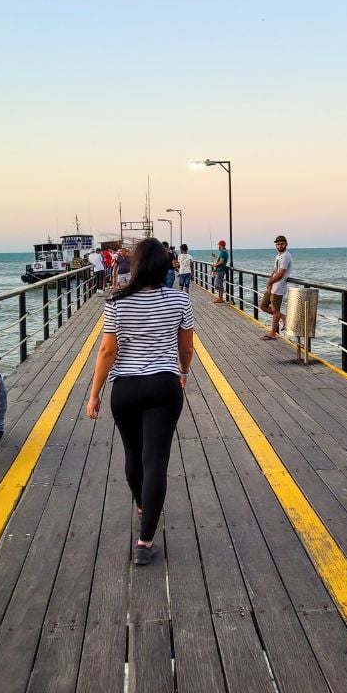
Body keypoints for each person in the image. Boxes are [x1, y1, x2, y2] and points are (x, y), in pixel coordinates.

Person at [86, 238, 194, 566]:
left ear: (134, 266)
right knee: (156, 460)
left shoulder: (116, 301)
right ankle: (145, 542)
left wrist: (94, 393)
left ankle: (143, 506)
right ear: (164, 265)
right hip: (164, 385)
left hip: (126, 389)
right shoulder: (180, 299)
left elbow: (107, 350)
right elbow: (186, 347)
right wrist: (182, 372)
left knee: (133, 454)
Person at [261, 235, 293, 340]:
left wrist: (271, 281)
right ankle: (284, 317)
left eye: (282, 244)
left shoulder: (286, 256)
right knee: (263, 306)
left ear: (286, 244)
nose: (279, 246)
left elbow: (280, 274)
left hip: (279, 287)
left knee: (275, 310)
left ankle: (273, 333)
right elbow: (275, 271)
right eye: (278, 244)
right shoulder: (278, 256)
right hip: (273, 285)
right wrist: (269, 282)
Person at [212, 239, 229, 303]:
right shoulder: (225, 251)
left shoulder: (222, 252)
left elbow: (221, 261)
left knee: (218, 284)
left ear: (221, 245)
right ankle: (220, 298)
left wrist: (215, 265)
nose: (218, 246)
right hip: (221, 270)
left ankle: (221, 298)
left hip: (220, 270)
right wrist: (215, 256)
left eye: (219, 245)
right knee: (219, 284)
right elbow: (221, 259)